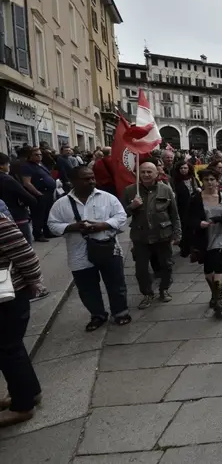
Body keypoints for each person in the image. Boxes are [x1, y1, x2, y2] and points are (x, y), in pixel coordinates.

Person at [47, 166, 130, 331]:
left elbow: (121, 217)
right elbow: (52, 225)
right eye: (86, 178)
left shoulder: (107, 198)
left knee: (116, 284)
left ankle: (120, 312)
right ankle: (98, 315)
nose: (91, 181)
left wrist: (103, 225)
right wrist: (73, 227)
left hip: (108, 249)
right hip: (79, 254)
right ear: (73, 181)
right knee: (87, 288)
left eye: (92, 177)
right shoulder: (61, 204)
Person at [0, 211, 44, 428]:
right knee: (12, 349)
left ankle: (22, 406)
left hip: (8, 297)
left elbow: (27, 256)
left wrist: (34, 282)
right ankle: (30, 393)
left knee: (8, 351)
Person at [123, 161, 181, 309]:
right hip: (140, 237)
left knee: (166, 265)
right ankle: (147, 293)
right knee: (141, 269)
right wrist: (132, 206)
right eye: (142, 172)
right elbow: (121, 214)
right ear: (138, 174)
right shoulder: (130, 191)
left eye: (149, 172)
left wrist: (177, 233)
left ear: (156, 174)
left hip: (162, 235)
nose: (146, 174)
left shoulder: (165, 190)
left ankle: (164, 289)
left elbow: (174, 213)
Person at [188, 169, 222, 317]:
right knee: (208, 269)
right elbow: (189, 219)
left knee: (218, 266)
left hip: (220, 238)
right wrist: (199, 223)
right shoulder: (196, 199)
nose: (210, 182)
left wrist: (218, 220)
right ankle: (214, 294)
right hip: (203, 239)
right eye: (206, 179)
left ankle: (219, 301)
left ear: (217, 180)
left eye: (212, 179)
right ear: (202, 181)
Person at [0, 153, 38, 246]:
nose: (9, 166)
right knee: (24, 245)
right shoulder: (7, 179)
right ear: (1, 166)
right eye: (7, 163)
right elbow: (27, 197)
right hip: (16, 216)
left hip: (3, 220)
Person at [20, 147, 57, 242]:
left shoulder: (40, 164)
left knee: (47, 214)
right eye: (36, 155)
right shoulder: (27, 166)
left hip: (48, 193)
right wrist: (38, 193)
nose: (39, 156)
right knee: (38, 215)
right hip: (40, 194)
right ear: (30, 156)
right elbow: (27, 183)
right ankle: (38, 234)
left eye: (40, 154)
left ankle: (47, 232)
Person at [171, 161, 200, 257]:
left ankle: (193, 246)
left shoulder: (193, 179)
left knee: (193, 227)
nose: (184, 170)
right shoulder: (175, 181)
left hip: (194, 207)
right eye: (181, 168)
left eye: (185, 168)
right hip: (181, 208)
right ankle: (184, 248)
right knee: (184, 228)